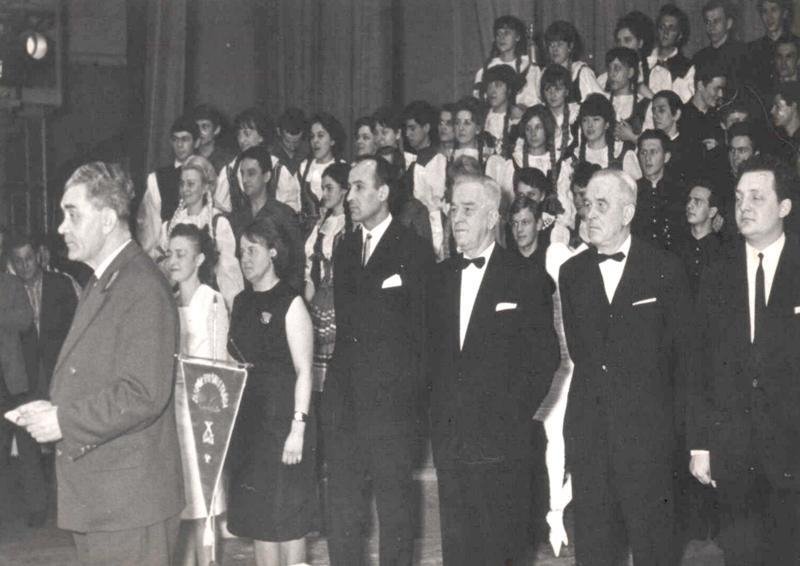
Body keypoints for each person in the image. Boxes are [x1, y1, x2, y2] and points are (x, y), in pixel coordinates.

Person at [17, 161, 183, 565]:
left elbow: (143, 393)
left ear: (108, 220)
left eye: (72, 214)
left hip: (129, 506)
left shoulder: (141, 286)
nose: (61, 227)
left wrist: (63, 420)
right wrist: (53, 409)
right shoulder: (106, 279)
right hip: (105, 500)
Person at [559, 168, 695, 565]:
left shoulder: (665, 268)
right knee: (595, 552)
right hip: (590, 436)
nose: (589, 213)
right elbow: (584, 356)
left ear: (628, 212)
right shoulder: (572, 274)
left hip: (649, 440)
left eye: (602, 205)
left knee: (655, 550)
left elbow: (685, 359)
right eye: (587, 204)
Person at [427, 173, 558, 565]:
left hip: (503, 443)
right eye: (453, 209)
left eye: (468, 209)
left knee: (503, 549)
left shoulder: (526, 276)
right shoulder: (438, 278)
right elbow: (427, 358)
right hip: (451, 442)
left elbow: (544, 359)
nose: (457, 218)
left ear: (491, 218)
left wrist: (509, 416)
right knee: (458, 550)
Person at [323, 156, 434, 566]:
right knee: (343, 511)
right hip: (346, 405)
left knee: (395, 512)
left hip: (392, 409)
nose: (349, 196)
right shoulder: (345, 248)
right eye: (348, 187)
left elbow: (423, 337)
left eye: (358, 187)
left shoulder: (414, 249)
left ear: (383, 192)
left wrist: (410, 403)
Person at [689, 154, 800, 565]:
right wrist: (700, 443)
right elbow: (699, 363)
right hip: (734, 453)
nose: (744, 207)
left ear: (784, 206)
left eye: (757, 197)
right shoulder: (715, 272)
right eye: (738, 198)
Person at [227, 218, 316, 566]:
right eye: (241, 251)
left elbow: (304, 371)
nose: (245, 258)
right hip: (250, 428)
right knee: (260, 522)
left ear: (274, 252)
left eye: (253, 250)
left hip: (284, 427)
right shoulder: (240, 303)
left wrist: (298, 428)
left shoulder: (290, 303)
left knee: (287, 522)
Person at [166, 224, 228, 566]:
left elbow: (219, 368)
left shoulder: (212, 301)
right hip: (172, 415)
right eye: (170, 254)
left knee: (204, 508)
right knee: (181, 509)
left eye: (181, 254)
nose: (173, 261)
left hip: (202, 417)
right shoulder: (167, 301)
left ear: (200, 259)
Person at [7, 233, 76, 527]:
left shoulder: (61, 285)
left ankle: (69, 505)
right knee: (28, 442)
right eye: (18, 261)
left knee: (64, 438)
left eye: (29, 259)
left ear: (39, 256)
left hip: (58, 371)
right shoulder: (8, 290)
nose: (25, 266)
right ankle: (37, 508)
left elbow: (75, 328)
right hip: (23, 376)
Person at [156, 155, 244, 310]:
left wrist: (232, 309)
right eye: (182, 184)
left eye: (191, 184)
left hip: (209, 304)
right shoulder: (169, 226)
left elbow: (228, 273)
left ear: (205, 188)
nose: (185, 189)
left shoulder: (218, 224)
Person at [230, 145, 304, 293]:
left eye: (251, 173)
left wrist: (287, 298)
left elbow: (297, 265)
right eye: (242, 174)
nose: (244, 180)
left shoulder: (284, 214)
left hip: (279, 295)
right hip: (248, 295)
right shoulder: (237, 217)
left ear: (266, 176)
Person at [304, 162, 349, 392]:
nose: (324, 194)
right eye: (323, 188)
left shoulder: (352, 225)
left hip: (343, 300)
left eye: (329, 188)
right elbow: (312, 270)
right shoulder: (323, 225)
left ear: (344, 190)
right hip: (320, 300)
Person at [138, 115, 199, 256]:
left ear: (196, 142)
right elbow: (151, 226)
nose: (179, 145)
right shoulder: (157, 178)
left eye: (185, 139)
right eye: (175, 139)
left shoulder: (208, 176)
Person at [631, 129, 687, 251]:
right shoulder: (631, 190)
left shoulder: (681, 191)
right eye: (643, 152)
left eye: (653, 152)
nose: (647, 158)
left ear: (666, 157)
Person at [473, 15, 542, 108]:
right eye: (498, 34)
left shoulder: (529, 67)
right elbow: (478, 102)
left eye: (507, 33)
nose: (501, 38)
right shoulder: (486, 69)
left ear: (517, 37)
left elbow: (535, 100)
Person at [296, 113, 347, 234]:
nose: (315, 141)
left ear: (332, 140)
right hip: (305, 233)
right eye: (312, 136)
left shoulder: (343, 167)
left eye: (320, 136)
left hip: (334, 231)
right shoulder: (303, 168)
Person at [572, 93, 642, 179]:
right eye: (585, 120)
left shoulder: (622, 154)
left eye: (596, 119)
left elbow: (636, 186)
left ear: (607, 124)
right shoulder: (574, 157)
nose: (589, 125)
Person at [675, 179, 722, 296]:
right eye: (689, 200)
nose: (689, 205)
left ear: (712, 212)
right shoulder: (676, 247)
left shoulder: (722, 250)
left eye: (697, 201)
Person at [544, 20, 603, 103]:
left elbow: (600, 103)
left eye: (559, 44)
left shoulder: (581, 72)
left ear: (570, 46)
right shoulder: (544, 73)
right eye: (551, 45)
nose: (555, 49)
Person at [748, 0, 799, 95]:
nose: (769, 17)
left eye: (774, 10)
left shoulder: (797, 44)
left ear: (785, 13)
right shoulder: (751, 49)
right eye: (765, 11)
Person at [647, 5, 693, 97]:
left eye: (671, 28)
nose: (665, 32)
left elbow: (683, 100)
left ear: (680, 35)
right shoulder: (644, 61)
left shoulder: (687, 67)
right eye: (662, 27)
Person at [193, 104, 232, 174]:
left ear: (216, 130)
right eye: (196, 127)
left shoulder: (226, 160)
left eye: (205, 127)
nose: (199, 131)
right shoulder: (189, 156)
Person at [271, 107, 308, 175]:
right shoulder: (271, 154)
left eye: (296, 142)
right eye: (287, 141)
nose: (292, 147)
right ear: (278, 131)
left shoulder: (309, 153)